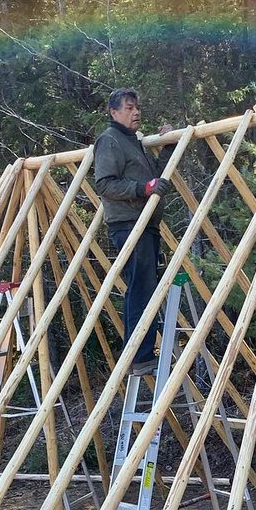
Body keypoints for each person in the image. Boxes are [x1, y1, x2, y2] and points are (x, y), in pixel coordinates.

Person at [93, 88, 172, 376]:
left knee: (145, 288)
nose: (136, 112)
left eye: (137, 107)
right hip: (129, 225)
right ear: (114, 112)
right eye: (128, 108)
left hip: (145, 224)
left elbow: (156, 179)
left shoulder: (134, 142)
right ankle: (139, 356)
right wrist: (142, 189)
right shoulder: (110, 141)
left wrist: (168, 146)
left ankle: (141, 352)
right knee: (140, 288)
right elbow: (104, 184)